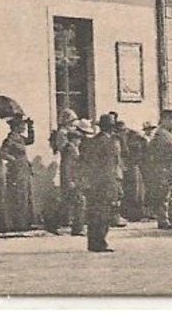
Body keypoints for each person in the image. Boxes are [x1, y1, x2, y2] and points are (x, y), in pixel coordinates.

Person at [76, 117, 124, 253]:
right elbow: (112, 166)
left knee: (94, 212)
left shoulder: (92, 142)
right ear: (112, 128)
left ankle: (92, 242)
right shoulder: (110, 143)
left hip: (93, 182)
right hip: (106, 182)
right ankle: (100, 242)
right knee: (105, 213)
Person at [144, 108, 172, 229]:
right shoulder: (161, 134)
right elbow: (167, 150)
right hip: (163, 167)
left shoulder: (171, 133)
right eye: (171, 119)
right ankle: (163, 219)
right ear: (164, 120)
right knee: (163, 195)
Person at [48, 108, 85, 236]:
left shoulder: (68, 134)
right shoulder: (64, 135)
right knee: (73, 200)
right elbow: (65, 154)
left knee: (68, 200)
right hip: (68, 171)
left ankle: (54, 223)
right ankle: (75, 227)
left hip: (69, 172)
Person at [1, 111, 36, 231]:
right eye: (22, 125)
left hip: (24, 170)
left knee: (26, 196)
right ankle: (18, 224)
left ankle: (26, 223)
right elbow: (3, 153)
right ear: (16, 126)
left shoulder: (20, 138)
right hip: (16, 172)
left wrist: (31, 127)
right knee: (18, 197)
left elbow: (31, 140)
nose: (24, 127)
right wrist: (13, 160)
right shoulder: (11, 138)